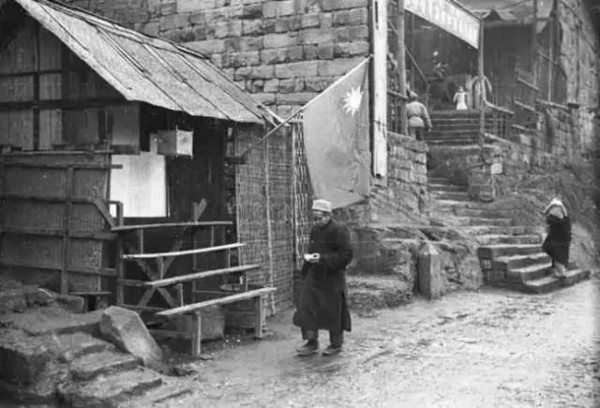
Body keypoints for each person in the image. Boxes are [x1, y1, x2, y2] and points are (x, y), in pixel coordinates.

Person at [293, 199, 353, 356]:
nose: (316, 222)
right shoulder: (315, 230)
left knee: (334, 311)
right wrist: (306, 270)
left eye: (319, 218)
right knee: (307, 308)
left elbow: (346, 255)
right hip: (315, 275)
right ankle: (311, 342)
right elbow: (312, 250)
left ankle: (336, 344)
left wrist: (322, 258)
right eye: (314, 218)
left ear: (328, 216)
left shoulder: (340, 230)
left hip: (333, 277)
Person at [541, 198, 572, 279]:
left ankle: (561, 273)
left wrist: (552, 206)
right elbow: (546, 214)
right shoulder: (562, 218)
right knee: (555, 253)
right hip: (558, 239)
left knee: (558, 255)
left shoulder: (561, 219)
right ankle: (559, 271)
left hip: (559, 240)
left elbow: (546, 213)